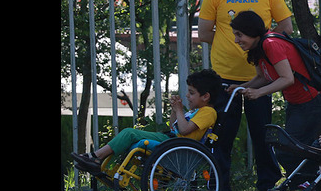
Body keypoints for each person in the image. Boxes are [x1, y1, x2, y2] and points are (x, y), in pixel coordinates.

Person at [197, 0, 294, 191]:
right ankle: (219, 190)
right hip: (223, 77)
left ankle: (268, 189)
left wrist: (265, 48)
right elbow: (205, 33)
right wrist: (233, 44)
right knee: (221, 136)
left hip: (261, 77)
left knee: (263, 135)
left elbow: (286, 26)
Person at [229, 11, 321, 178]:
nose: (236, 40)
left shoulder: (271, 44)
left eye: (239, 35)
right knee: (295, 147)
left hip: (311, 101)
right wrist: (240, 88)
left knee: (288, 150)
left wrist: (258, 93)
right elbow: (262, 77)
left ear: (252, 31)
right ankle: (309, 184)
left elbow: (287, 78)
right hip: (296, 103)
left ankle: (306, 185)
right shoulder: (258, 47)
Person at [72, 69, 221, 172]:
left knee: (129, 133)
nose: (187, 96)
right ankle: (100, 161)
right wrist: (176, 110)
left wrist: (180, 110)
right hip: (173, 140)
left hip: (177, 145)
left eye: (191, 93)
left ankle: (96, 158)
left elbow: (184, 130)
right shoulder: (197, 111)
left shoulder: (208, 112)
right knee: (130, 137)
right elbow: (173, 127)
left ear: (205, 96)